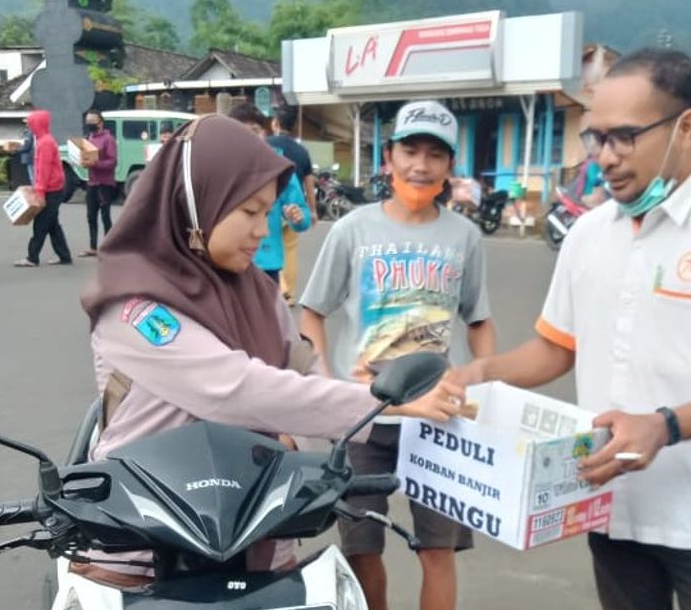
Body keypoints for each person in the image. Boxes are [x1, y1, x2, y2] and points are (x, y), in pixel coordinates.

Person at [454, 48, 691, 610]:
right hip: (613, 506)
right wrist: (480, 372)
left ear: (686, 128)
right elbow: (557, 347)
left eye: (625, 136)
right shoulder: (587, 235)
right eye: (596, 138)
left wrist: (664, 426)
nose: (605, 157)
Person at [77, 114, 464, 585]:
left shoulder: (258, 293)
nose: (265, 229)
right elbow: (232, 388)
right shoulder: (134, 305)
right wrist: (380, 405)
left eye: (269, 212)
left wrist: (302, 437)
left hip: (257, 526)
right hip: (144, 546)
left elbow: (303, 370)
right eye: (250, 211)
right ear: (198, 201)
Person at [300, 100, 496, 610]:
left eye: (435, 154)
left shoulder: (465, 237)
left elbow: (479, 320)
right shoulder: (352, 231)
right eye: (410, 149)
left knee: (438, 549)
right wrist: (324, 381)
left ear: (449, 166)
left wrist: (486, 384)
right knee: (363, 547)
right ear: (388, 157)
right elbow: (311, 312)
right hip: (364, 419)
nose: (421, 164)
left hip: (438, 419)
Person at [228, 102, 312, 282]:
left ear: (264, 134)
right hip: (226, 264)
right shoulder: (219, 168)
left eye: (255, 130)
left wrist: (298, 217)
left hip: (266, 266)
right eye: (242, 132)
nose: (249, 137)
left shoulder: (278, 168)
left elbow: (303, 217)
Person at [268, 104, 315, 305]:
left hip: (270, 206)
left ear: (275, 123)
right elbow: (309, 183)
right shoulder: (301, 151)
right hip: (294, 206)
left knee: (270, 248)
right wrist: (312, 210)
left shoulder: (265, 145)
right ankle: (289, 294)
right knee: (290, 250)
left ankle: (278, 288)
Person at [14, 110, 73, 267]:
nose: (29, 126)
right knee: (52, 224)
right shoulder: (44, 140)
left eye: (30, 123)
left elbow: (43, 169)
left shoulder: (44, 143)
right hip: (54, 188)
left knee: (41, 224)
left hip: (51, 190)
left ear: (37, 124)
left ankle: (32, 257)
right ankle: (64, 256)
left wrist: (39, 191)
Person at [79, 109, 118, 258]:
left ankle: (109, 246)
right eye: (87, 122)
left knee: (105, 215)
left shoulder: (108, 139)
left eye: (92, 122)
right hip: (92, 181)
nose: (90, 125)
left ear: (100, 122)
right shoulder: (89, 137)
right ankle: (93, 246)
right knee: (91, 215)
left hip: (105, 182)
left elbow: (112, 162)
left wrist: (95, 163)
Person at [17, 119, 35, 183]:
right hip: (31, 156)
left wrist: (17, 149)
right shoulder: (27, 131)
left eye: (27, 123)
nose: (26, 124)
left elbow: (27, 145)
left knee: (33, 177)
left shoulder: (30, 132)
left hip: (30, 156)